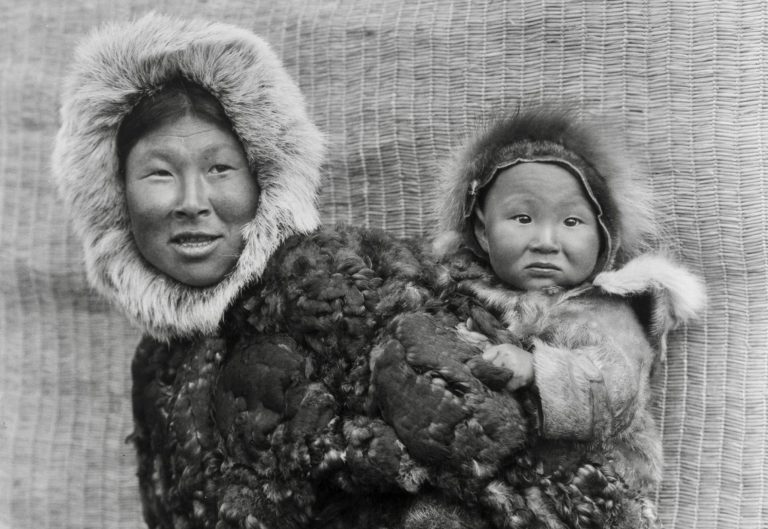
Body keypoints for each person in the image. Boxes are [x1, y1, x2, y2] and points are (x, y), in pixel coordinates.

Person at [52, 13, 533, 529]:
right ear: (115, 197)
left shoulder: (339, 288)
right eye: (160, 174)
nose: (192, 202)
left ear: (264, 179)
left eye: (220, 169)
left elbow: (498, 467)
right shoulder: (156, 363)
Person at [428, 105, 706, 527]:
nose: (545, 240)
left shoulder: (603, 311)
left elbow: (618, 390)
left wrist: (539, 370)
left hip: (585, 491)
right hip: (486, 483)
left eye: (572, 221)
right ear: (483, 230)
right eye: (522, 218)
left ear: (603, 237)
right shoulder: (455, 289)